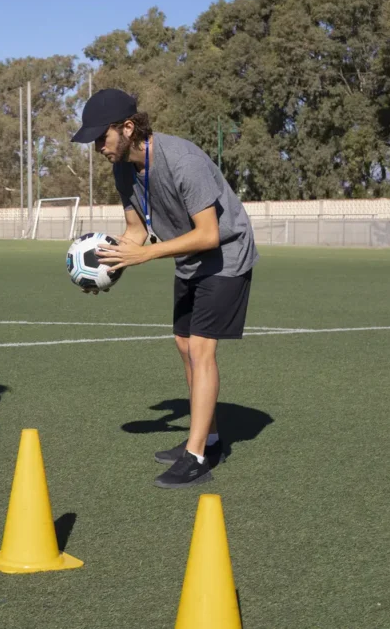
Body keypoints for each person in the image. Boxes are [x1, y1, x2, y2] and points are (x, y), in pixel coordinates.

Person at [71, 88, 259, 488]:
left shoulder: (183, 161)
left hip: (226, 256)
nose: (97, 147)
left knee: (202, 348)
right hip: (189, 259)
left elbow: (209, 234)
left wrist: (146, 256)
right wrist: (105, 269)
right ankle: (207, 438)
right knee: (183, 345)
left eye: (101, 137)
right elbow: (135, 231)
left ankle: (196, 457)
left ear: (127, 128)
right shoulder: (123, 169)